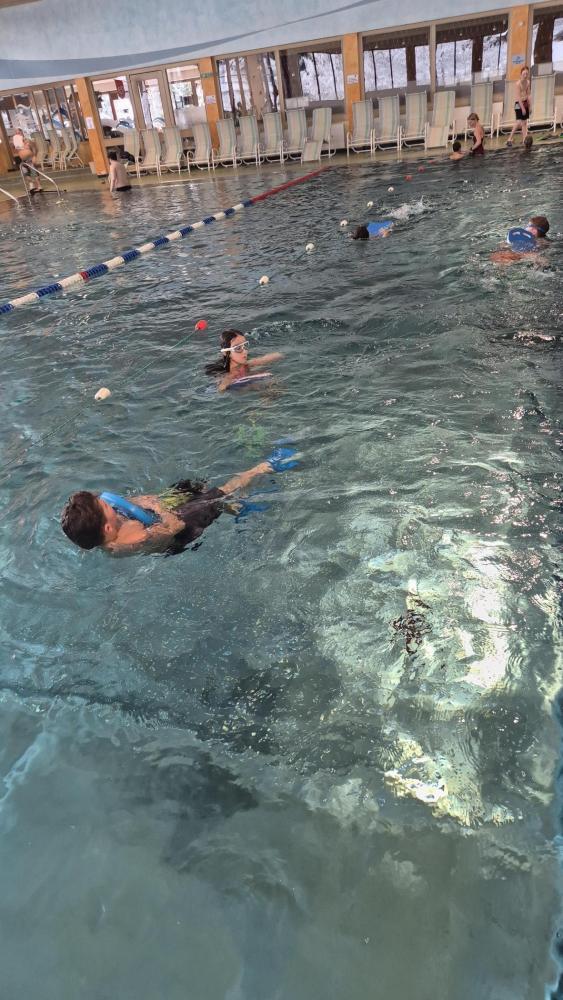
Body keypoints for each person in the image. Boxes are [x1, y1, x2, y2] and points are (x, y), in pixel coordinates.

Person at [61, 448, 299, 556]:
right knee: (221, 492)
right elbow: (175, 527)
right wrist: (157, 507)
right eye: (105, 505)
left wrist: (144, 502)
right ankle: (264, 468)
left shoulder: (105, 528)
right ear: (107, 528)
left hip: (157, 516)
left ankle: (235, 507)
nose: (108, 502)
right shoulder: (132, 539)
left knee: (192, 485)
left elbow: (129, 505)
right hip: (179, 535)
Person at [205, 329, 283, 392]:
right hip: (236, 390)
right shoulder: (224, 375)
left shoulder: (248, 364)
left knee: (273, 383)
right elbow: (221, 389)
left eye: (245, 345)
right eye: (238, 348)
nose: (245, 351)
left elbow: (278, 355)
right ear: (226, 352)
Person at [507, 66, 531, 146]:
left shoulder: (528, 82)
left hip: (525, 102)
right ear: (521, 74)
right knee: (518, 122)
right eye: (524, 74)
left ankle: (524, 139)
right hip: (518, 103)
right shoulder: (518, 84)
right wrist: (523, 108)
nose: (525, 75)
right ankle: (509, 138)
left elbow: (528, 94)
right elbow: (518, 97)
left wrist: (530, 106)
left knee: (524, 122)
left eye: (527, 73)